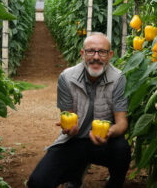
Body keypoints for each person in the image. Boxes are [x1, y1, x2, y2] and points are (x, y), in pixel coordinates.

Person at [28, 32, 131, 188]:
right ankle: (75, 174)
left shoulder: (118, 79)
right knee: (38, 182)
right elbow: (67, 115)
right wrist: (70, 129)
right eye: (90, 51)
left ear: (110, 55)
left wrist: (108, 132)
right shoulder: (67, 78)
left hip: (103, 142)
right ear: (83, 54)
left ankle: (114, 184)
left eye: (102, 52)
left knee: (122, 150)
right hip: (74, 141)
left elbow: (122, 123)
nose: (96, 57)